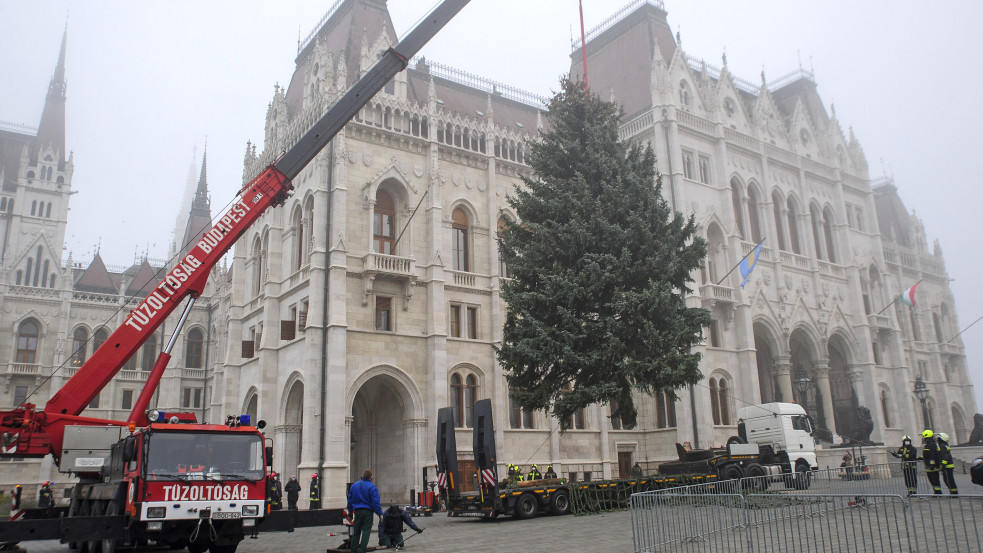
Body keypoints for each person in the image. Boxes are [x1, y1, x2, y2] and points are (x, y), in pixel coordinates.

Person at [347, 469, 383, 553]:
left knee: (356, 532)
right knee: (366, 531)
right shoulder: (372, 487)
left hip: (357, 512)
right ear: (371, 477)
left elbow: (350, 499)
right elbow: (375, 502)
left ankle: (353, 550)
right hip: (368, 512)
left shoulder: (354, 485)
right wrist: (380, 513)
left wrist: (350, 512)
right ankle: (362, 550)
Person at [922, 429, 942, 495]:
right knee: (931, 479)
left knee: (935, 479)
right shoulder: (928, 445)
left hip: (933, 466)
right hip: (928, 465)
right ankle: (935, 491)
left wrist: (932, 463)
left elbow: (933, 454)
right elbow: (927, 454)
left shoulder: (932, 444)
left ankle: (938, 492)